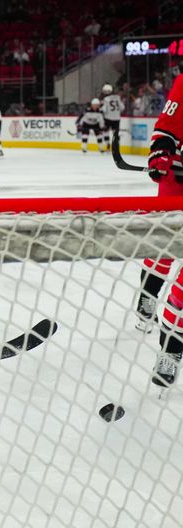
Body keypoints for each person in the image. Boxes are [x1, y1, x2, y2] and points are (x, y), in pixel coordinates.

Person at [138, 73, 183, 387]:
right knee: (163, 250)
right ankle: (147, 298)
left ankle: (171, 350)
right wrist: (162, 152)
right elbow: (168, 126)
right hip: (177, 182)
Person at [101, 83, 124, 150]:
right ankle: (116, 147)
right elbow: (122, 107)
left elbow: (104, 110)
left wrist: (101, 107)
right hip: (117, 118)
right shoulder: (117, 97)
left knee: (106, 131)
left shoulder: (105, 99)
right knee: (115, 132)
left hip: (108, 118)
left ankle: (108, 144)